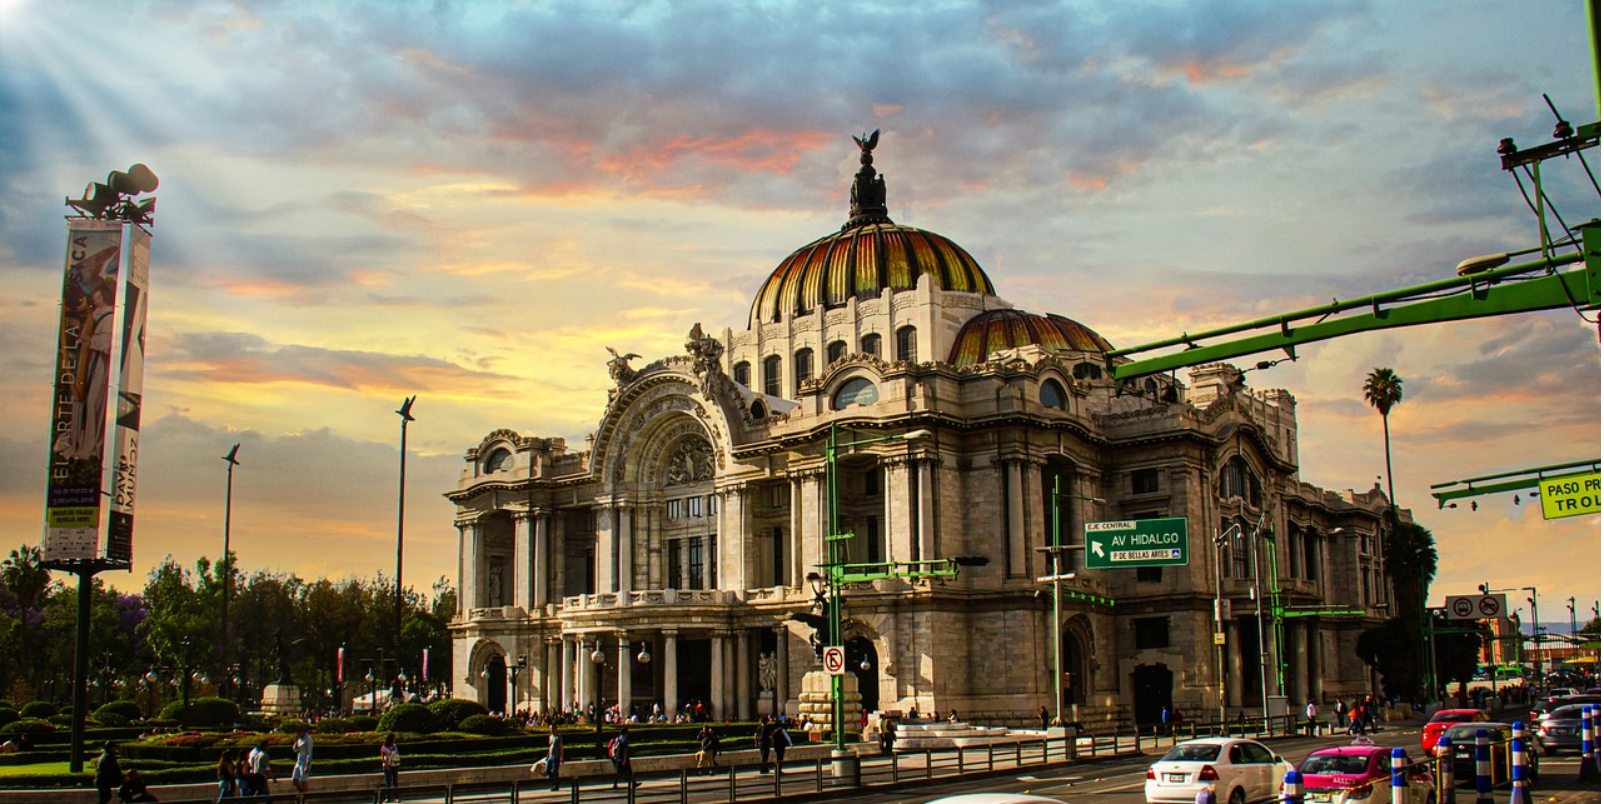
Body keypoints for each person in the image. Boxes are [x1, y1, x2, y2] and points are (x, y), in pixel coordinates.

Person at [290, 725, 314, 793]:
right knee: (294, 779)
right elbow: (295, 750)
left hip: (304, 762)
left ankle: (305, 797)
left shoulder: (308, 739)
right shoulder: (299, 739)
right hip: (299, 761)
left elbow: (309, 753)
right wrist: (295, 744)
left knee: (304, 780)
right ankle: (303, 792)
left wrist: (307, 765)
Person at [379, 734, 401, 801]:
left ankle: (396, 797)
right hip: (387, 765)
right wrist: (386, 765)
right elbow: (382, 757)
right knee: (388, 782)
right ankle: (387, 797)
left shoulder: (395, 746)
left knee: (395, 781)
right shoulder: (384, 747)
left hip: (395, 765)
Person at [543, 726, 563, 791]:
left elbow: (561, 747)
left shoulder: (559, 736)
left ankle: (555, 785)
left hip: (556, 756)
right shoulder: (550, 736)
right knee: (547, 770)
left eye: (553, 728)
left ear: (555, 728)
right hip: (550, 756)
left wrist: (561, 757)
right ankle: (555, 780)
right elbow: (550, 746)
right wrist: (547, 755)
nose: (551, 730)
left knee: (555, 770)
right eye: (550, 729)